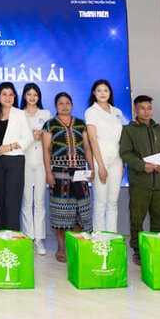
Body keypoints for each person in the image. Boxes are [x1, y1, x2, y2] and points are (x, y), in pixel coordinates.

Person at [119, 95, 160, 264]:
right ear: (135, 110)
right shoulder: (129, 130)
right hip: (140, 183)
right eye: (142, 108)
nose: (146, 111)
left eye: (149, 108)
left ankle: (157, 248)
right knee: (137, 219)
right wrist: (142, 166)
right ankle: (138, 250)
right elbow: (125, 153)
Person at [43, 92, 93, 262]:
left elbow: (87, 148)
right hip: (59, 172)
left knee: (81, 210)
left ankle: (76, 246)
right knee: (61, 213)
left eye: (67, 103)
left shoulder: (80, 124)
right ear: (56, 106)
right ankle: (61, 248)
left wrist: (92, 168)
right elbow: (46, 150)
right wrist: (48, 173)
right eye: (61, 103)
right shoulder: (50, 125)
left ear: (72, 105)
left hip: (80, 172)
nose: (64, 106)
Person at [0, 82, 32, 231]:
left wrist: (10, 146)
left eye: (11, 94)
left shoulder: (20, 114)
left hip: (15, 161)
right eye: (4, 94)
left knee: (12, 202)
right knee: (0, 202)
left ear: (14, 97)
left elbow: (28, 138)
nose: (8, 97)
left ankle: (13, 238)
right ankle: (1, 236)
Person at [85, 79, 125, 233]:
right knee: (100, 202)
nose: (103, 93)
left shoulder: (117, 112)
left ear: (110, 93)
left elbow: (121, 140)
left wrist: (123, 164)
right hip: (99, 159)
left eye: (106, 90)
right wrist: (100, 166)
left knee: (113, 202)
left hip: (117, 159)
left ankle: (111, 236)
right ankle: (99, 237)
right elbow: (93, 139)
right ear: (94, 93)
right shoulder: (91, 111)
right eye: (99, 90)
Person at [20, 83, 51, 254]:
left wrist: (42, 136)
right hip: (24, 161)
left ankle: (39, 239)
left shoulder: (45, 114)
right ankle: (27, 236)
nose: (32, 98)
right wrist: (30, 136)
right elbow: (17, 138)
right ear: (24, 96)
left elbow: (51, 139)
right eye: (29, 94)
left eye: (35, 95)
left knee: (39, 202)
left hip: (41, 162)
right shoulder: (19, 114)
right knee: (26, 201)